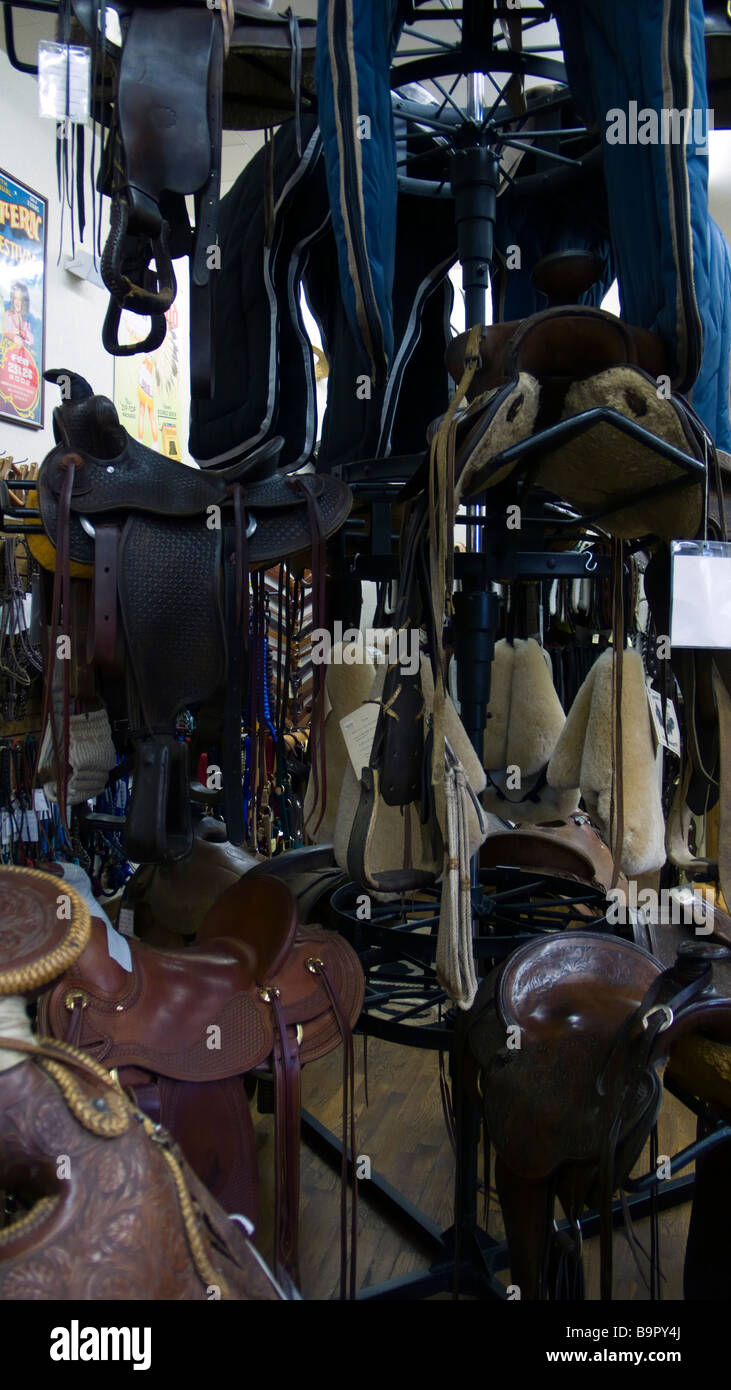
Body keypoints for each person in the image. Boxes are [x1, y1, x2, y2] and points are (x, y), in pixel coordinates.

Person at [3, 281, 34, 348]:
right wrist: (13, 337)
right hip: (7, 353)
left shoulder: (25, 323)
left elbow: (31, 341)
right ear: (12, 299)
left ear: (24, 302)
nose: (17, 302)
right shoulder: (8, 315)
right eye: (15, 298)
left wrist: (21, 332)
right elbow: (4, 331)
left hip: (19, 356)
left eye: (20, 300)